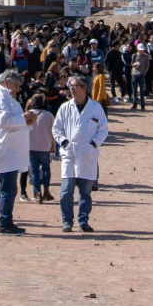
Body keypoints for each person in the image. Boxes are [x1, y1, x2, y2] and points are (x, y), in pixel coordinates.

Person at [53, 75, 108, 232]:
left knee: (85, 192)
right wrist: (64, 143)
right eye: (70, 85)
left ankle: (83, 221)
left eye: (75, 85)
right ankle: (67, 221)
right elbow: (56, 128)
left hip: (87, 154)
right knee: (66, 190)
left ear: (84, 88)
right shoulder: (65, 108)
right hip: (70, 154)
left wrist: (92, 145)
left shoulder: (96, 108)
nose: (71, 88)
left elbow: (103, 129)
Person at [0, 69, 34, 236]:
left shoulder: (8, 98)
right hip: (5, 149)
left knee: (10, 187)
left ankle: (7, 221)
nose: (17, 89)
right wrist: (24, 117)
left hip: (12, 150)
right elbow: (4, 121)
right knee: (8, 188)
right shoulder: (0, 97)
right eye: (15, 85)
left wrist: (27, 121)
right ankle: (4, 222)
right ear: (5, 82)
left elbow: (14, 121)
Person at [26, 93, 55, 203]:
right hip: (45, 147)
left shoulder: (26, 115)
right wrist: (53, 145)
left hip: (30, 147)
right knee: (46, 169)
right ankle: (46, 190)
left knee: (34, 172)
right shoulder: (49, 115)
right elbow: (53, 132)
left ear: (32, 102)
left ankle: (37, 192)